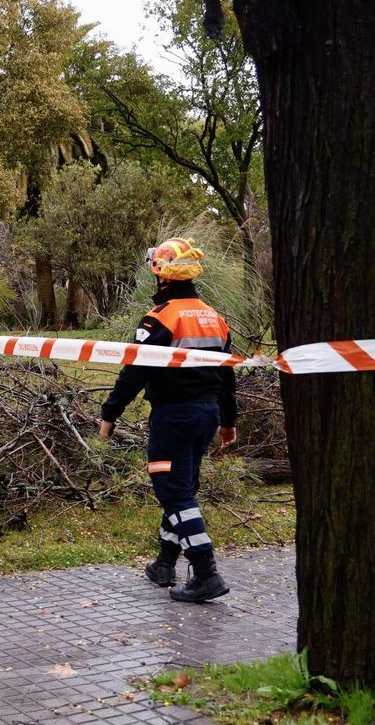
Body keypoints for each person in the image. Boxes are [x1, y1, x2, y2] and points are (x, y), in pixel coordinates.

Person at [98, 238, 238, 602]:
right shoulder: (214, 317)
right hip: (207, 415)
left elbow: (135, 371)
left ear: (161, 274)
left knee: (173, 492)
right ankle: (164, 563)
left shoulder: (160, 318)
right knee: (183, 488)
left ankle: (206, 573)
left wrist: (110, 413)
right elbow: (227, 374)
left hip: (174, 416)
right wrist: (228, 420)